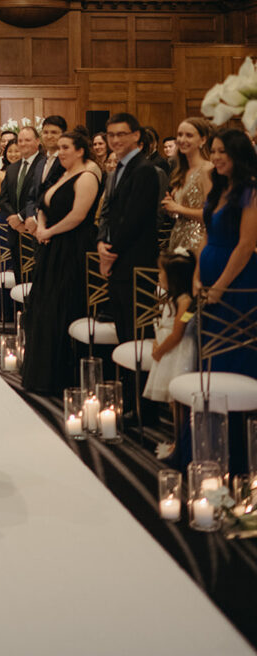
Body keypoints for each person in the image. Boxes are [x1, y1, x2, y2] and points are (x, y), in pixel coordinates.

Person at [22, 130, 101, 394]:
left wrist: (50, 231)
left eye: (66, 147)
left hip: (72, 249)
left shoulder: (87, 176)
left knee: (61, 308)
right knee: (42, 309)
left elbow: (79, 215)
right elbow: (44, 205)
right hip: (51, 249)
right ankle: (42, 376)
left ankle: (61, 377)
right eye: (60, 148)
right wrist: (42, 225)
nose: (61, 152)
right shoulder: (63, 174)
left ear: (80, 150)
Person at [96, 113, 160, 342]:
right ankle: (125, 378)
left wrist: (109, 252)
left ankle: (137, 379)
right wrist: (101, 243)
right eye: (111, 135)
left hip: (136, 259)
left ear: (136, 135)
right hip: (119, 257)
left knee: (137, 331)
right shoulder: (119, 168)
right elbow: (110, 213)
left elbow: (134, 218)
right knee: (122, 328)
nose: (115, 140)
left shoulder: (144, 169)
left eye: (121, 134)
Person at [198, 128, 257, 376]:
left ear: (238, 154)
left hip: (235, 281)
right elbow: (206, 233)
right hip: (208, 278)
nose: (216, 157)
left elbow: (245, 245)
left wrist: (220, 286)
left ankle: (235, 415)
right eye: (213, 151)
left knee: (229, 354)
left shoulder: (249, 191)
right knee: (207, 350)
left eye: (223, 151)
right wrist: (196, 276)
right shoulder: (218, 187)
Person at [143, 250, 196, 456]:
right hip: (168, 352)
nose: (158, 276)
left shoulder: (185, 302)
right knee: (173, 403)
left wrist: (159, 351)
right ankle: (177, 440)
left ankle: (180, 443)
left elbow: (177, 334)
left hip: (178, 354)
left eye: (161, 272)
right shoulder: (174, 298)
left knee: (178, 402)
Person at [161, 117, 213, 254]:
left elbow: (211, 214)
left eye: (189, 135)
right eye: (180, 135)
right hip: (178, 238)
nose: (182, 140)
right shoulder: (181, 171)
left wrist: (178, 208)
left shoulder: (207, 170)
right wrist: (170, 207)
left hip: (198, 242)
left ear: (203, 140)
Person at [23, 115, 67, 234]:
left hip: (56, 228)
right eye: (45, 132)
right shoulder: (40, 163)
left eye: (54, 132)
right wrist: (30, 217)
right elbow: (32, 196)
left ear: (63, 135)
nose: (49, 136)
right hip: (36, 230)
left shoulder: (66, 162)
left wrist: (39, 221)